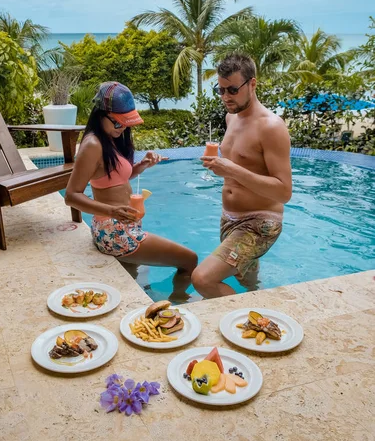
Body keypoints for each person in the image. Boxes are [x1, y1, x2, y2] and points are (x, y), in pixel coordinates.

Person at [65, 81, 198, 301]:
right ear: (101, 114)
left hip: (123, 223)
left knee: (132, 279)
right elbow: (71, 196)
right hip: (115, 230)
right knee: (189, 260)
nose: (123, 128)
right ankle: (178, 302)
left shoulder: (111, 139)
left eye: (126, 123)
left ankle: (140, 301)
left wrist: (142, 165)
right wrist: (112, 210)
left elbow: (114, 179)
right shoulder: (93, 145)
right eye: (118, 123)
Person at [191, 54, 292, 298]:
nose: (226, 97)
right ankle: (256, 298)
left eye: (233, 90)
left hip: (260, 222)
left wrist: (231, 169)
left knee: (203, 279)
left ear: (252, 84)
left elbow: (284, 191)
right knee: (246, 279)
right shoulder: (231, 118)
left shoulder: (271, 127)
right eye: (221, 90)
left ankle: (252, 320)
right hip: (229, 218)